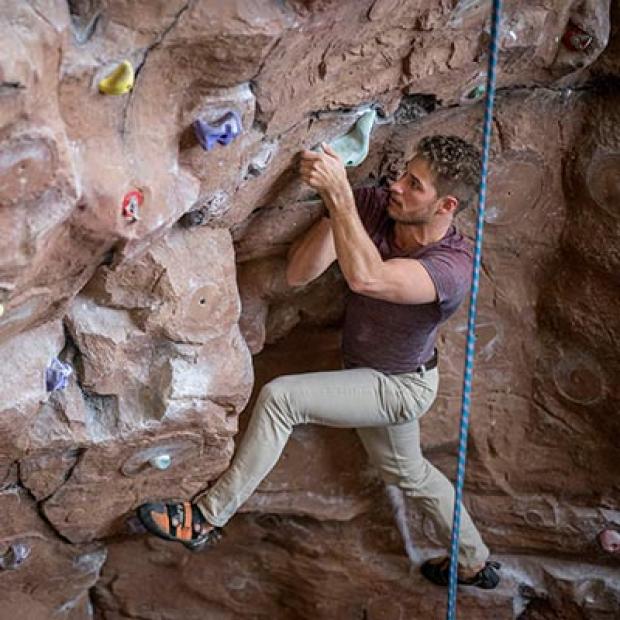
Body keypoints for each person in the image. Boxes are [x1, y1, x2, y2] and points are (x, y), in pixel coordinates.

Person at [136, 134, 500, 589]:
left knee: (281, 400)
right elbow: (298, 272)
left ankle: (206, 519)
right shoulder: (375, 209)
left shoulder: (452, 266)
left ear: (446, 206)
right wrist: (338, 209)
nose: (398, 186)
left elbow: (370, 279)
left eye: (415, 184)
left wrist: (343, 198)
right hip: (369, 373)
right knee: (408, 472)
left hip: (400, 388)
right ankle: (474, 559)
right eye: (404, 172)